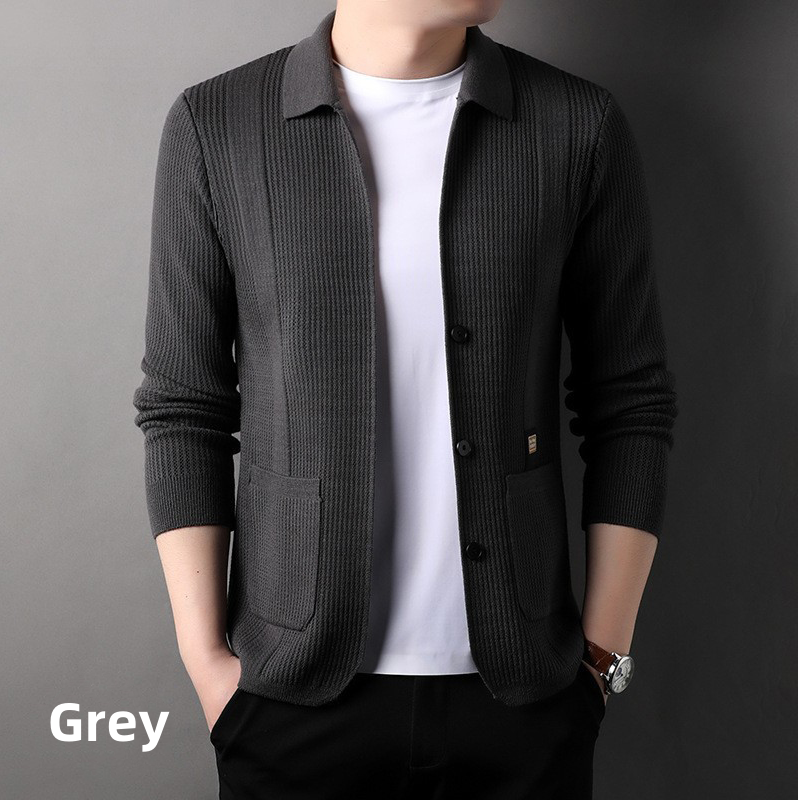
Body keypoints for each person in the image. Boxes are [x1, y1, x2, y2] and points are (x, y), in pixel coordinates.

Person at [132, 1, 678, 797]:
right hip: (289, 699)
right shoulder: (218, 126)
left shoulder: (575, 125)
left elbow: (629, 403)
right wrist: (207, 663)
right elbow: (185, 408)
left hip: (525, 700)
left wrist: (601, 658)